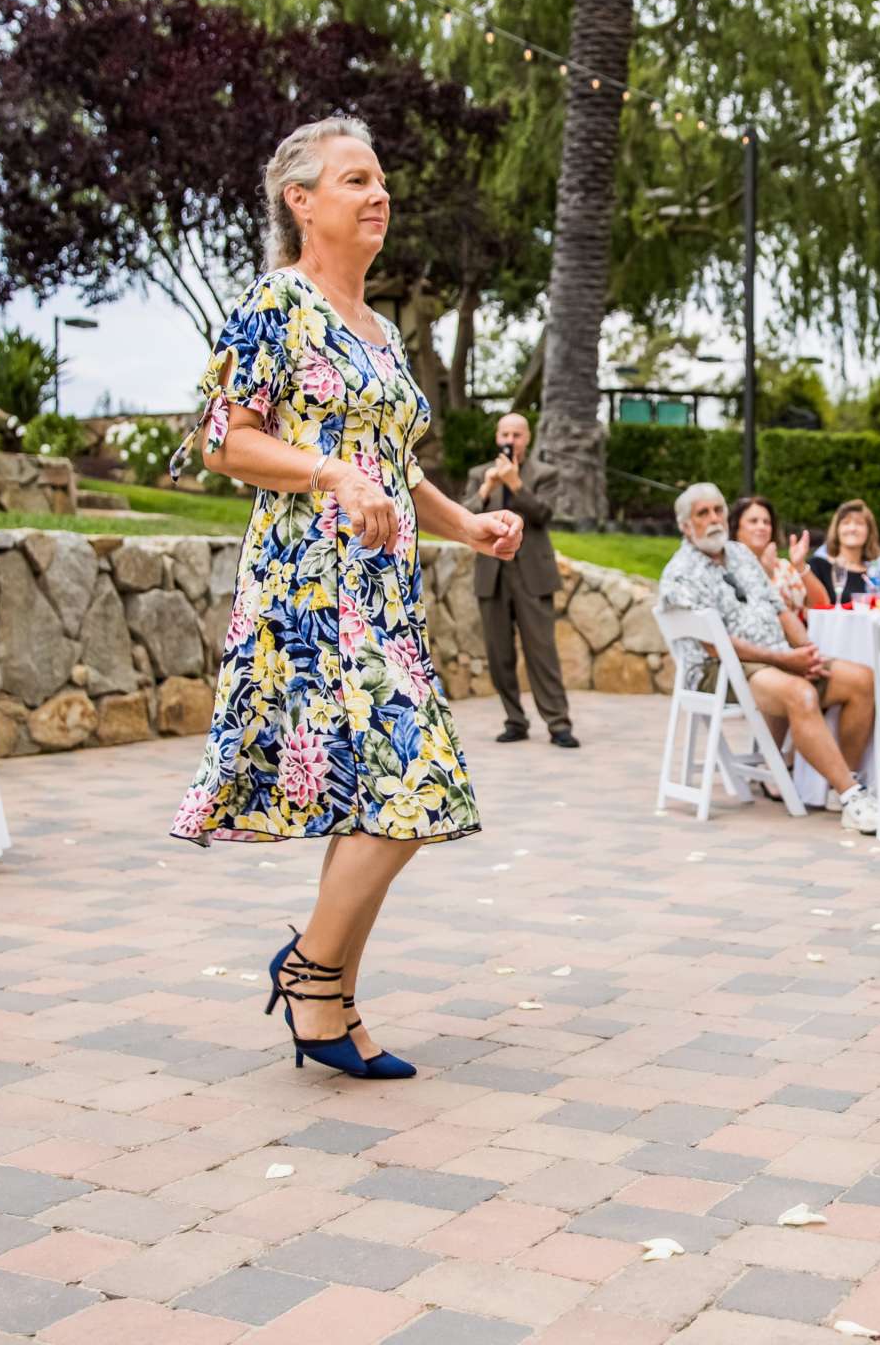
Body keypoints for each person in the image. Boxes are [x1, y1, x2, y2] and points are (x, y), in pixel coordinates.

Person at [170, 116, 523, 1081]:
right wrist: (329, 473)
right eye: (356, 180)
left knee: (375, 798)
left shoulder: (378, 328)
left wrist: (471, 526)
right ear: (301, 201)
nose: (379, 197)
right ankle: (309, 971)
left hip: (383, 595)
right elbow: (223, 441)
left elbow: (396, 467)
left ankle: (329, 1006)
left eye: (382, 183)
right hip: (307, 590)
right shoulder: (276, 304)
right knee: (415, 786)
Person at [659, 483, 880, 831]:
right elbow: (718, 645)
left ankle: (844, 787)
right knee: (800, 694)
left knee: (862, 680)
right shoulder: (680, 573)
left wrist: (807, 652)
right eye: (703, 513)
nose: (714, 519)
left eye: (718, 510)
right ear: (686, 526)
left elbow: (781, 612)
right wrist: (785, 661)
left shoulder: (741, 555)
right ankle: (854, 796)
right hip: (719, 669)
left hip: (776, 658)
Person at [465, 412, 577, 749]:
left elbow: (544, 514)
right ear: (496, 436)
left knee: (542, 652)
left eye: (516, 434)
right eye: (505, 433)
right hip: (492, 574)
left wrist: (515, 484)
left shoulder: (545, 474)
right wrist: (487, 487)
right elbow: (465, 517)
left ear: (526, 439)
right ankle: (515, 720)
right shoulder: (478, 474)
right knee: (499, 656)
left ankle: (559, 724)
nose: (510, 440)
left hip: (532, 575)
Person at [731, 493, 829, 610]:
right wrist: (766, 573)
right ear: (736, 527)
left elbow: (822, 605)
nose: (762, 526)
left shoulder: (782, 567)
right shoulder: (726, 566)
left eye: (767, 522)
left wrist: (800, 565)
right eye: (753, 521)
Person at [812, 498, 880, 602]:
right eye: (846, 523)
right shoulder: (817, 567)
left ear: (869, 532)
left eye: (859, 523)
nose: (852, 528)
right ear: (837, 530)